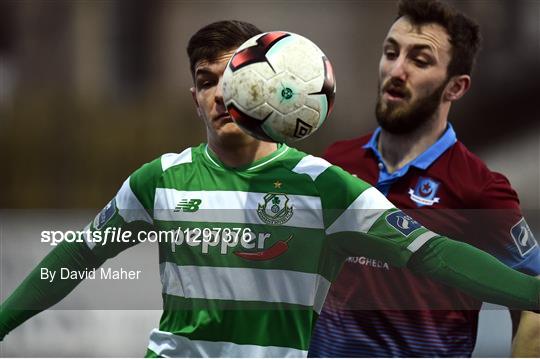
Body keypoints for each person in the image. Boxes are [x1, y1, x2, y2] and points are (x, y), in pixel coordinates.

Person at [0, 20, 539, 358]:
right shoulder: (159, 179)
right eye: (207, 80)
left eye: (233, 75)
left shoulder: (324, 187)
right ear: (194, 95)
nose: (221, 92)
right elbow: (74, 259)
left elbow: (435, 255)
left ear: (262, 84)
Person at [309, 0, 540, 357]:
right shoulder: (336, 162)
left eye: (419, 60)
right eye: (390, 52)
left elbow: (533, 297)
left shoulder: (479, 189)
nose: (396, 70)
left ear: (456, 88)